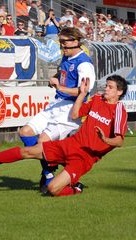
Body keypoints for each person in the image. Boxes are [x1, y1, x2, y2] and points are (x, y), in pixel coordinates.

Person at [0, 75, 128, 197]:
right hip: (70, 144)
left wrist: (105, 140)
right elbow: (75, 114)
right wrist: (82, 94)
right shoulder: (97, 99)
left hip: (84, 158)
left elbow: (120, 141)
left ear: (119, 92)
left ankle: (76, 188)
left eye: (110, 87)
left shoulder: (119, 110)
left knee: (53, 189)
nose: (106, 89)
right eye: (106, 85)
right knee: (28, 151)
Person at [19, 27, 96, 192]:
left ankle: (49, 176)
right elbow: (62, 75)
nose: (62, 47)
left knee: (43, 143)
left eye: (64, 43)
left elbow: (82, 91)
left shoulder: (84, 64)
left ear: (76, 42)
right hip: (56, 103)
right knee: (25, 132)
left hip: (69, 109)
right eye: (60, 44)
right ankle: (50, 171)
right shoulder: (66, 57)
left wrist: (60, 86)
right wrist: (54, 79)